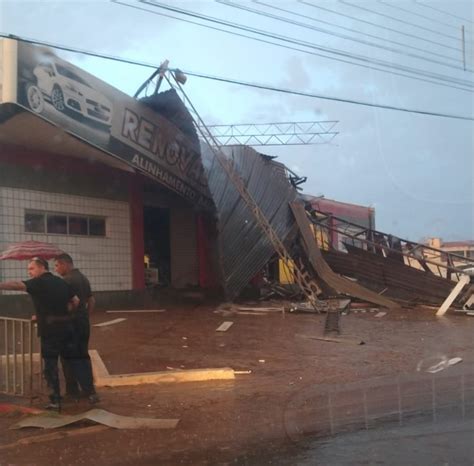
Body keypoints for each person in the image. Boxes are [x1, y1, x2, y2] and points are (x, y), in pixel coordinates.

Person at [0, 257, 82, 411]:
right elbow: (76, 301)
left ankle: (55, 401)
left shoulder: (39, 282)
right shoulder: (61, 281)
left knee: (51, 366)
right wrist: (61, 312)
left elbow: (17, 285)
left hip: (50, 331)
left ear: (41, 268)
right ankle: (76, 393)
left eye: (31, 269)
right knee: (70, 361)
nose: (29, 272)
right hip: (67, 328)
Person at [54, 254, 99, 404]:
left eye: (57, 266)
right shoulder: (83, 278)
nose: (56, 269)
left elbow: (66, 304)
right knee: (83, 356)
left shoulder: (66, 281)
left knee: (68, 358)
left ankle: (72, 392)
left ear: (65, 264)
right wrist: (86, 316)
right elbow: (91, 300)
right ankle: (89, 390)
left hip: (71, 324)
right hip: (83, 323)